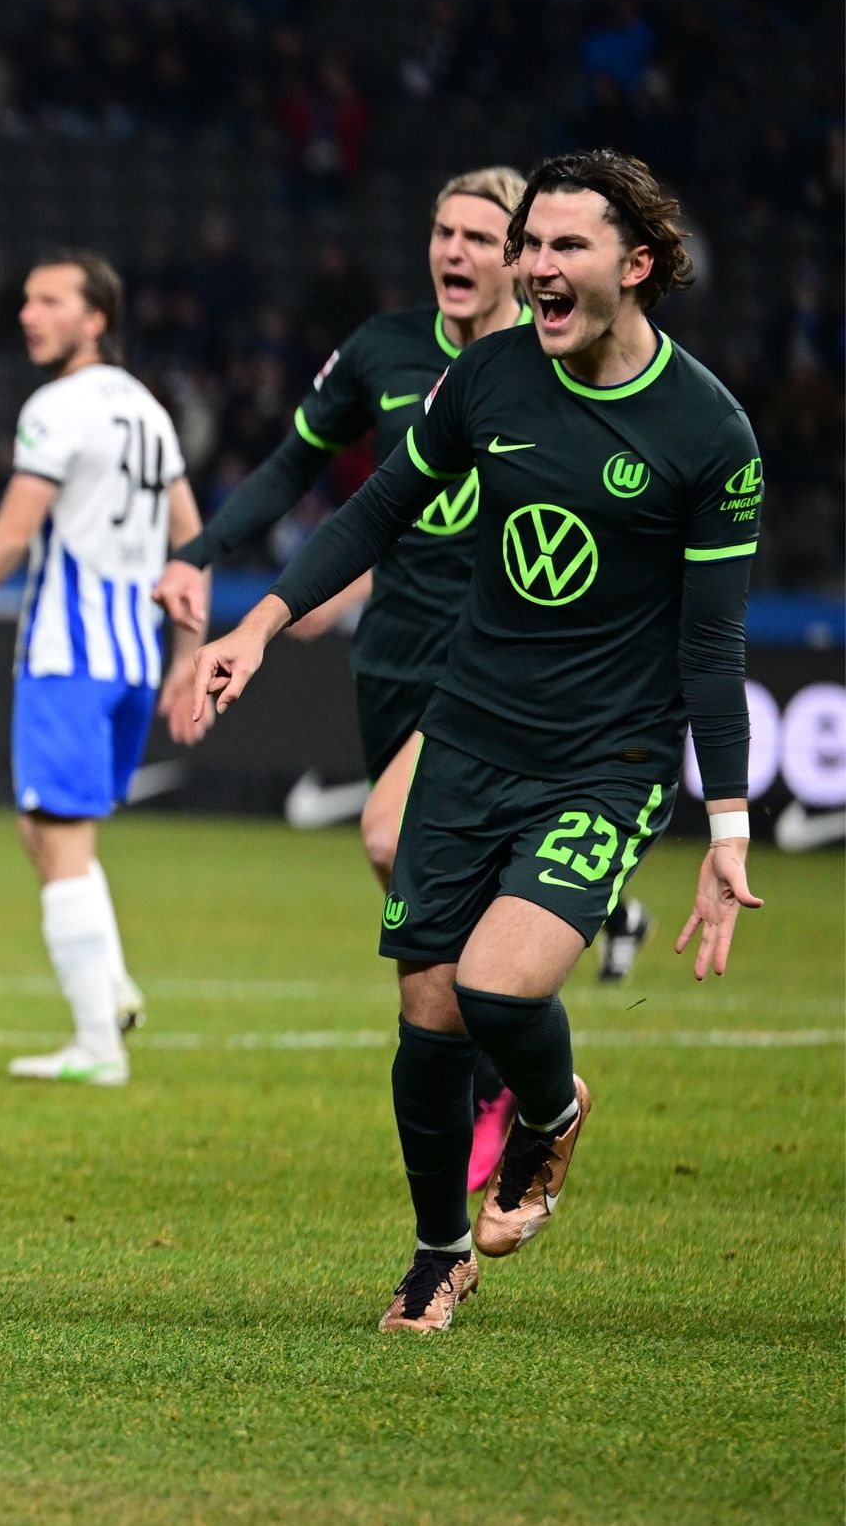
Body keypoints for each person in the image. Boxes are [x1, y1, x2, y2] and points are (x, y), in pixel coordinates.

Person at [190, 149, 763, 1333]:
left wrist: (726, 824)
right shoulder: (490, 380)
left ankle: (550, 1116)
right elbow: (374, 508)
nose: (531, 267)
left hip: (602, 760)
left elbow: (710, 649)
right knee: (429, 1008)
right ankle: (435, 1253)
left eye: (562, 248)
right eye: (528, 246)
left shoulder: (708, 432)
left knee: (501, 990)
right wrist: (257, 622)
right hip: (464, 733)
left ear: (636, 264)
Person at [159, 167, 649, 1192]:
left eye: (480, 235)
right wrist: (202, 550)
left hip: (485, 672)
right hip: (389, 657)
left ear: (520, 255)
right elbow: (302, 471)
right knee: (424, 885)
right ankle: (511, 1050)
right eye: (442, 231)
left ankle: (510, 1067)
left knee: (386, 834)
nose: (455, 253)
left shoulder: (553, 373)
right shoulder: (383, 352)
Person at [0, 251, 205, 1087]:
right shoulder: (148, 410)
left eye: (51, 301)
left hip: (71, 655)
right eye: (26, 299)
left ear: (95, 318)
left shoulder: (57, 407)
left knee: (59, 842)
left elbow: (8, 535)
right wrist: (184, 655)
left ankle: (97, 1045)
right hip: (133, 658)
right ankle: (112, 984)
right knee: (49, 831)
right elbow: (192, 540)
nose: (29, 314)